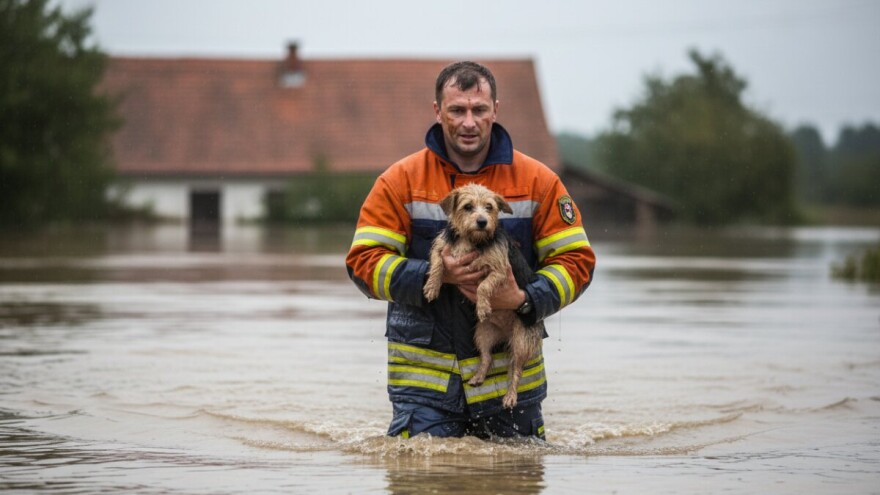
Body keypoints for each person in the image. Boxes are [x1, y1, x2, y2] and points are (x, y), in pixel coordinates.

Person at [345, 61, 596, 440]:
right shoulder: (399, 181)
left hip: (510, 389)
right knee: (425, 472)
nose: (468, 122)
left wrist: (525, 299)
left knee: (517, 473)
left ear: (495, 109)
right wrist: (434, 275)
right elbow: (362, 264)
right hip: (425, 390)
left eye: (479, 109)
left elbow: (577, 263)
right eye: (457, 110)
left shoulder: (538, 181)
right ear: (437, 111)